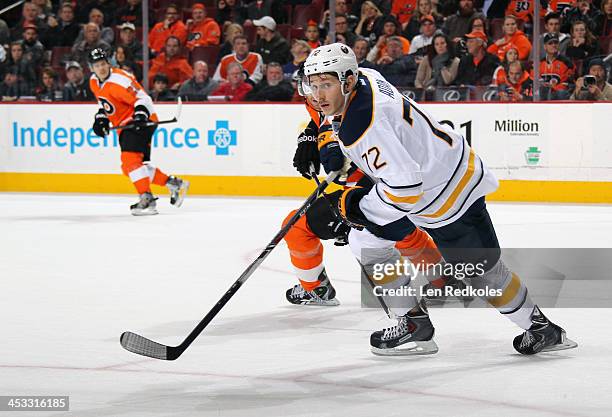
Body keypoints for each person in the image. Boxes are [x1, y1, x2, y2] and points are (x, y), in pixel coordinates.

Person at [301, 42, 577, 356]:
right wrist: (318, 133)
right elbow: (369, 133)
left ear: (347, 81)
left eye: (326, 85)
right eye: (313, 85)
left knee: (481, 271)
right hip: (438, 172)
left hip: (446, 195)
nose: (318, 95)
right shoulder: (366, 76)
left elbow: (405, 188)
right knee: (366, 242)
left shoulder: (362, 127)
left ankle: (540, 328)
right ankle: (412, 323)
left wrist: (355, 207)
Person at [88, 48, 189, 215]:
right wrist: (101, 118)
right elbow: (104, 103)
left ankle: (147, 200)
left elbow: (144, 98)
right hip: (125, 126)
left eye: (104, 64)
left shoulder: (121, 80)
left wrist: (141, 115)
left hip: (141, 121)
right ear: (92, 68)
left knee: (130, 160)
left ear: (109, 63)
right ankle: (174, 184)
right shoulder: (93, 81)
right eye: (97, 65)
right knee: (130, 168)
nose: (102, 68)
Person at [537, 32, 574, 100]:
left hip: (558, 94)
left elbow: (566, 85)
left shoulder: (567, 62)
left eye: (556, 43)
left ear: (559, 45)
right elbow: (535, 82)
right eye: (550, 43)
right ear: (545, 47)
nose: (553, 45)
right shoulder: (539, 63)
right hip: (543, 93)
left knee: (561, 93)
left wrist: (551, 88)